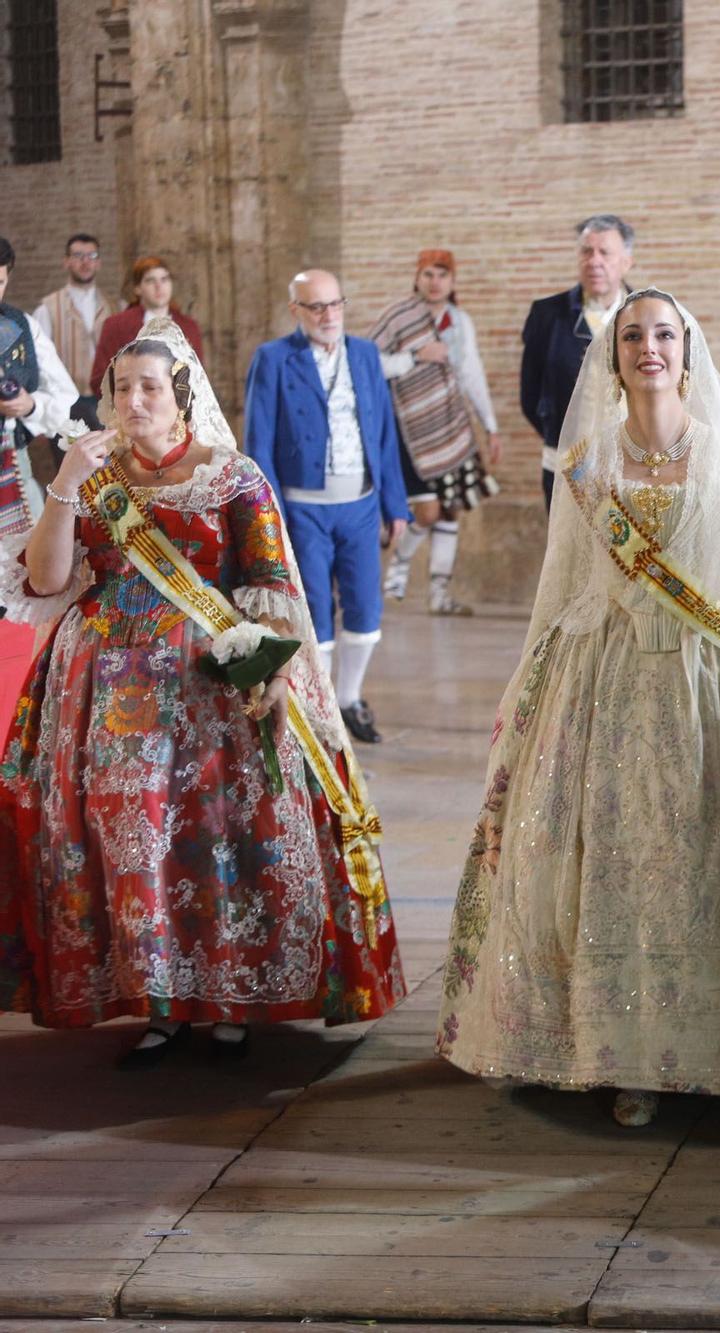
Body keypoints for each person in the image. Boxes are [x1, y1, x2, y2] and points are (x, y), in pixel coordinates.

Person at [437, 290, 720, 1129]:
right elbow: (558, 588)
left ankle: (718, 1045)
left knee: (701, 866)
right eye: (633, 336)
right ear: (614, 357)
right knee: (615, 868)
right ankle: (618, 1050)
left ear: (688, 353)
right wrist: (523, 692)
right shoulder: (586, 463)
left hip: (711, 690)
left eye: (665, 334)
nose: (649, 347)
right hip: (606, 686)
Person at [0, 317, 404, 1066]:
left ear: (182, 394)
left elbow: (269, 583)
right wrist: (61, 486)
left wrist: (275, 675)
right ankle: (158, 1000)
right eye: (121, 388)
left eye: (150, 386)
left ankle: (229, 997)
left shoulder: (231, 474)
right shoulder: (88, 476)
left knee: (217, 835)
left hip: (210, 685)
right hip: (103, 691)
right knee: (127, 838)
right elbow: (48, 579)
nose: (134, 400)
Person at [242, 269, 411, 744]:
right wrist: (268, 517)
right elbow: (260, 442)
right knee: (314, 609)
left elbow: (384, 436)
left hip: (361, 504)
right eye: (316, 306)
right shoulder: (273, 358)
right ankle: (318, 708)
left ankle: (349, 698)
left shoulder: (365, 354)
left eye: (335, 304)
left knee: (365, 605)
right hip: (302, 509)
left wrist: (395, 505)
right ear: (296, 310)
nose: (328, 315)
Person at [370, 249, 502, 616]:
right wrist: (415, 357)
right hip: (410, 431)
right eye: (428, 274)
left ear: (452, 281)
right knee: (426, 512)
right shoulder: (397, 317)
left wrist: (490, 425)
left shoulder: (459, 322)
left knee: (450, 511)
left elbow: (471, 373)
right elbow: (368, 362)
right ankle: (399, 563)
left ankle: (440, 596)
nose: (434, 282)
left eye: (442, 275)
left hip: (452, 427)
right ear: (417, 278)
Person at [521, 215, 634, 512]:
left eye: (604, 252)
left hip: (634, 465)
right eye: (586, 251)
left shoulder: (645, 315)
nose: (594, 261)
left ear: (626, 261)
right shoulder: (546, 315)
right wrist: (562, 434)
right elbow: (529, 394)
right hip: (565, 462)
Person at [0, 237, 79, 533]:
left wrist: (31, 406)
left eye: (0, 282)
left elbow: (63, 393)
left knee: (25, 561)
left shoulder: (21, 327)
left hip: (11, 463)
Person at [30, 234, 107, 468]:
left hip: (105, 402)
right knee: (70, 470)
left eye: (91, 256)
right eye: (78, 256)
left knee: (109, 471)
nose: (85, 262)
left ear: (98, 262)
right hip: (67, 405)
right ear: (66, 261)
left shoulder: (114, 306)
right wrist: (42, 414)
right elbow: (36, 365)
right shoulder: (48, 308)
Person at [89, 256, 205, 398]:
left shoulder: (189, 327)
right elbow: (99, 379)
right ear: (138, 288)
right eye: (150, 280)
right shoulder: (116, 325)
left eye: (164, 279)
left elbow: (198, 379)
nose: (159, 286)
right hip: (131, 409)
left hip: (177, 412)